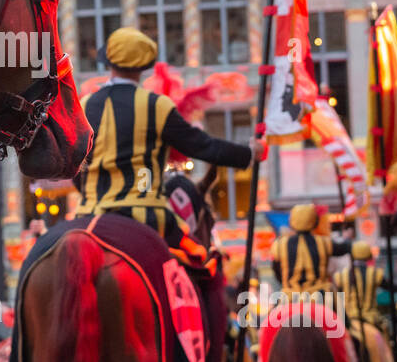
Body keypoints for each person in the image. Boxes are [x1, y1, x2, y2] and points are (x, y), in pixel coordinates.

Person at [77, 27, 261, 247]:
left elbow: (73, 166)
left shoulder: (84, 106)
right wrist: (249, 154)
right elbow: (202, 146)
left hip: (89, 214)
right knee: (196, 262)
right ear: (143, 66)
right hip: (146, 214)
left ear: (108, 63)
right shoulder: (157, 106)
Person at [271, 204, 351, 295]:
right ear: (314, 221)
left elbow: (276, 270)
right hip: (320, 295)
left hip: (290, 296)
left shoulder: (280, 244)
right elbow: (346, 248)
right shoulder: (324, 242)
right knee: (340, 307)